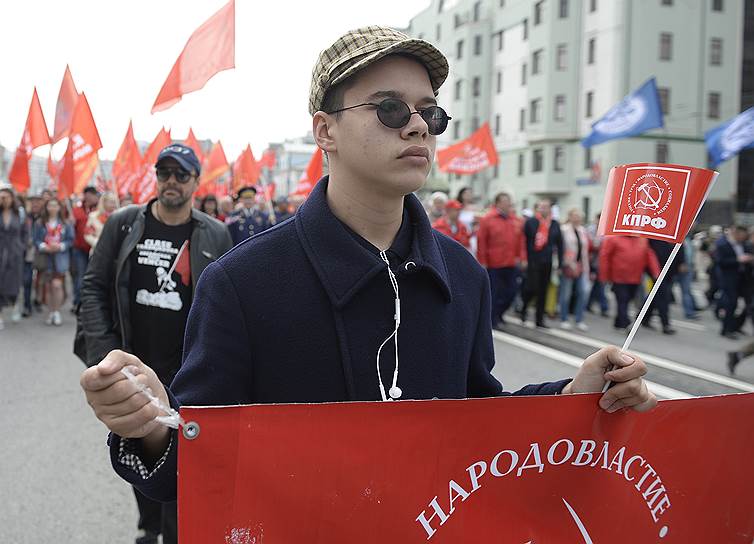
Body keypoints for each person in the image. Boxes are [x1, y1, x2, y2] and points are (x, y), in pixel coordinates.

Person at [80, 25, 655, 511]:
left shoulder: (462, 276)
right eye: (390, 109)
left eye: (431, 113)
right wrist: (152, 429)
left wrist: (570, 394)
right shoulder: (240, 282)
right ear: (325, 130)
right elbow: (202, 460)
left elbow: (478, 422)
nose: (417, 127)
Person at [79, 144, 233, 544]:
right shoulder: (125, 224)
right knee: (139, 448)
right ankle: (149, 528)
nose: (171, 181)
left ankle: (174, 533)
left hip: (189, 371)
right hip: (134, 368)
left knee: (185, 463)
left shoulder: (213, 233)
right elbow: (94, 288)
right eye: (164, 173)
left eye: (181, 174)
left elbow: (229, 303)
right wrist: (105, 358)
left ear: (196, 181)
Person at [476, 192, 525, 328]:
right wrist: (482, 261)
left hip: (511, 262)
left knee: (511, 291)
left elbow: (520, 241)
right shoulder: (488, 219)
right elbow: (482, 241)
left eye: (509, 201)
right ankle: (493, 319)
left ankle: (499, 313)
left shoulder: (515, 220)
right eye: (505, 201)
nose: (508, 204)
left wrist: (521, 258)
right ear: (497, 203)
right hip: (494, 263)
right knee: (494, 293)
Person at [599, 235, 661, 331]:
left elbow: (649, 255)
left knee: (627, 300)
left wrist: (656, 272)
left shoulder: (642, 240)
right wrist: (605, 276)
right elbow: (605, 257)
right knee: (622, 300)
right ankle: (625, 323)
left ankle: (618, 322)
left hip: (635, 277)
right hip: (618, 278)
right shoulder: (613, 239)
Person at [520, 199, 563, 328]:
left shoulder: (554, 224)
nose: (543, 209)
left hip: (547, 261)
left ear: (550, 209)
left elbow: (560, 245)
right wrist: (524, 258)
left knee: (543, 290)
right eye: (541, 207)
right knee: (532, 288)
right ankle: (524, 309)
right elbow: (524, 242)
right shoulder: (531, 222)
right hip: (533, 260)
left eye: (546, 207)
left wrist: (560, 264)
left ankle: (539, 319)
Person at [33, 197, 74, 326]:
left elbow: (70, 240)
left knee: (57, 285)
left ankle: (57, 311)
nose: (52, 208)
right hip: (46, 258)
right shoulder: (40, 223)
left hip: (60, 258)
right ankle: (50, 311)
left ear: (59, 208)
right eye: (50, 205)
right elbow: (35, 239)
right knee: (48, 286)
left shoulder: (66, 223)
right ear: (46, 207)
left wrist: (60, 246)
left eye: (55, 205)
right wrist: (44, 246)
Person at [715, 225, 754, 340]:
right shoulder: (723, 245)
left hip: (742, 279)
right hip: (728, 278)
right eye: (742, 235)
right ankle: (726, 329)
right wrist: (738, 260)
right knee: (731, 303)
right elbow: (720, 262)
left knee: (747, 305)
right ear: (736, 233)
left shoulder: (744, 244)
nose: (743, 237)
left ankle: (735, 326)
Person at [641, 240, 686, 335]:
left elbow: (680, 247)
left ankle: (644, 317)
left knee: (654, 296)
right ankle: (665, 324)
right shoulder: (655, 238)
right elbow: (648, 252)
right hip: (656, 271)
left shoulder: (676, 235)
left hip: (670, 271)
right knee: (663, 297)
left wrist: (682, 262)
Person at [0, 186, 27, 330]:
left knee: (15, 282)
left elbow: (25, 232)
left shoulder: (20, 213)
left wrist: (21, 247)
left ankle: (16, 305)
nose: (4, 199)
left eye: (6, 196)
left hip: (14, 253)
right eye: (1, 196)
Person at [558, 209, 590, 331]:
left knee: (583, 292)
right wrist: (568, 262)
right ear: (570, 216)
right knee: (566, 293)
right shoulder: (564, 230)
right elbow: (562, 249)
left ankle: (579, 319)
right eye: (575, 216)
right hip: (568, 266)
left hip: (581, 266)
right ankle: (564, 318)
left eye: (579, 216)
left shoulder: (582, 230)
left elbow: (585, 250)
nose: (577, 218)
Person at [71, 187, 100, 310]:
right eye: (87, 195)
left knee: (93, 276)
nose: (90, 197)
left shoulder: (100, 211)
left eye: (92, 195)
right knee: (80, 275)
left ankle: (90, 302)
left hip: (96, 249)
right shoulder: (76, 211)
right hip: (79, 249)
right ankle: (78, 302)